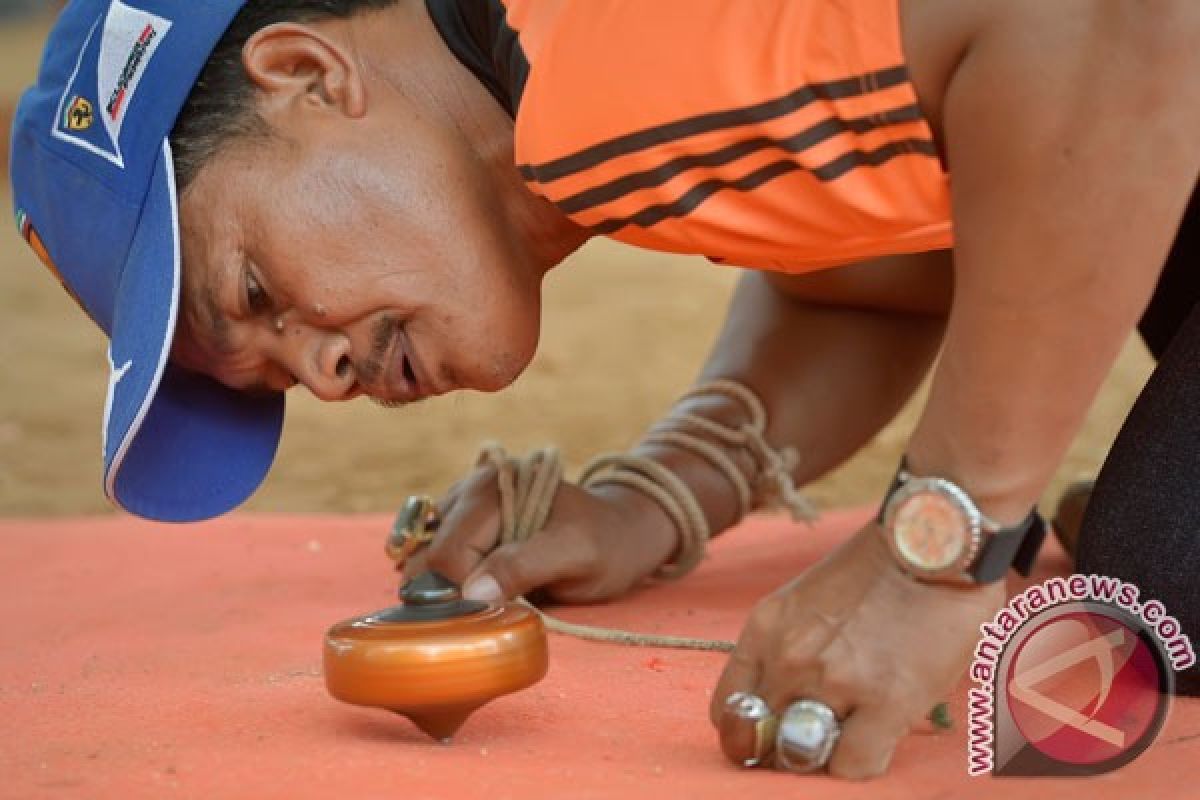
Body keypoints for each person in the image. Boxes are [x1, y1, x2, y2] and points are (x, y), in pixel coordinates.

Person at [11, 0, 1200, 780]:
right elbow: (883, 263)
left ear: (307, 73)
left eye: (259, 288)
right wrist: (656, 493)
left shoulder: (599, 57)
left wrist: (940, 544)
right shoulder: (576, 103)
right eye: (269, 377)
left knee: (1173, 575)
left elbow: (1108, 28)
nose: (318, 372)